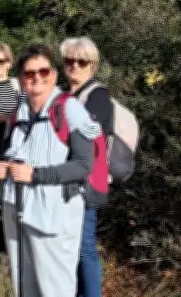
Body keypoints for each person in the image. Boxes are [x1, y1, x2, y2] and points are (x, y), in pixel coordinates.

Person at [0, 44, 100, 297]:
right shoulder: (19, 110)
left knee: (55, 288)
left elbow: (83, 166)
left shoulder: (69, 108)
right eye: (29, 73)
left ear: (53, 74)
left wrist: (36, 175)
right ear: (20, 79)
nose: (37, 78)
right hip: (15, 205)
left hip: (54, 214)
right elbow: (14, 150)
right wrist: (2, 164)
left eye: (43, 71)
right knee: (23, 283)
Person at [60, 36, 112, 297]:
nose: (75, 66)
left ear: (93, 65)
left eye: (82, 61)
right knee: (72, 248)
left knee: (85, 248)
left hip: (88, 182)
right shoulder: (68, 95)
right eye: (70, 60)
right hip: (69, 180)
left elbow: (90, 134)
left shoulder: (98, 95)